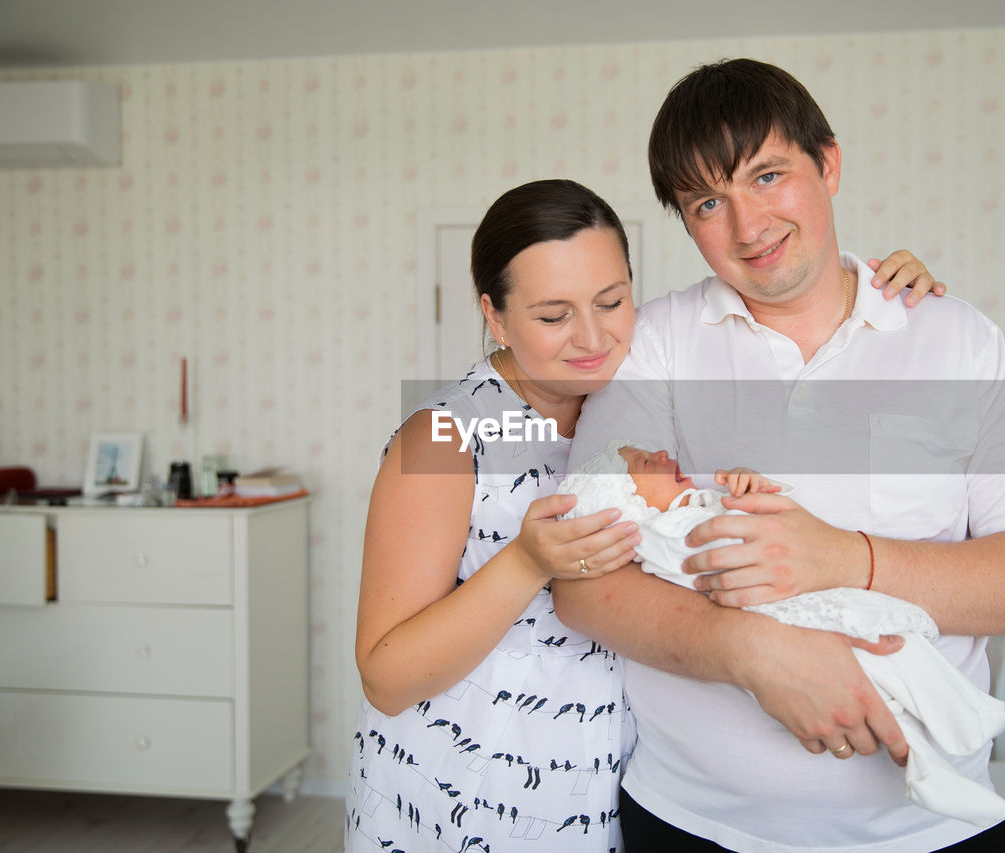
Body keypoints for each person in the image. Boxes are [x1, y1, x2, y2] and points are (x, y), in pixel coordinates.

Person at [553, 58, 1005, 853]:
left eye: (768, 176)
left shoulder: (955, 336)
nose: (748, 225)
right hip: (693, 825)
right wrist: (754, 651)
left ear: (827, 163)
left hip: (930, 830)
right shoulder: (654, 343)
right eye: (708, 201)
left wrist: (843, 557)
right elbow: (579, 582)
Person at [346, 178, 945, 852]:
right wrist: (525, 562)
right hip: (466, 801)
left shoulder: (644, 398)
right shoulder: (447, 437)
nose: (594, 336)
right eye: (552, 316)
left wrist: (879, 288)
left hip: (604, 797)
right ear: (495, 316)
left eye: (612, 300)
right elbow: (386, 677)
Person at [559, 441, 1005, 829]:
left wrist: (748, 489)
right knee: (881, 676)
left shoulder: (695, 507)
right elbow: (707, 557)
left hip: (817, 595)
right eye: (643, 463)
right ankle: (927, 769)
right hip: (796, 617)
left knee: (904, 651)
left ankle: (969, 716)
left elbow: (771, 524)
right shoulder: (655, 534)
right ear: (625, 504)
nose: (661, 452)